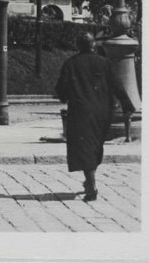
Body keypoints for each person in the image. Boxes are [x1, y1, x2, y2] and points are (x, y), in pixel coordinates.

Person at [55, 31, 134, 202]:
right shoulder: (104, 62)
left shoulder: (70, 63)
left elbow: (61, 89)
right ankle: (90, 180)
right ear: (93, 45)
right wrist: (127, 105)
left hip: (80, 111)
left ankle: (90, 183)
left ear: (78, 46)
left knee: (85, 147)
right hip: (102, 112)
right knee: (95, 146)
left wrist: (66, 96)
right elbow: (117, 85)